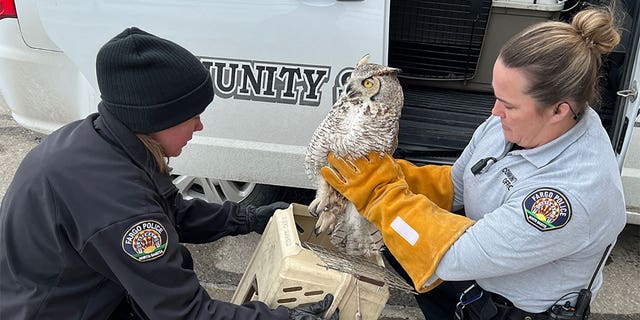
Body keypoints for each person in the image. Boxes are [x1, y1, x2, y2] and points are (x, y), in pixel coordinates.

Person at [0, 27, 338, 320]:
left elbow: (169, 212)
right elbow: (185, 313)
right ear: (155, 118)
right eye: (192, 115)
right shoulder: (118, 204)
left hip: (64, 290)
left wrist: (246, 218)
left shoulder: (103, 140)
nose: (199, 125)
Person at [320, 6, 627, 320]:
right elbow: (458, 183)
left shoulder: (571, 195)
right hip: (475, 284)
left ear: (558, 111)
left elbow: (451, 257)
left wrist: (380, 193)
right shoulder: (516, 122)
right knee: (394, 229)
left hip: (513, 311)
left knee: (399, 226)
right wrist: (398, 175)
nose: (494, 112)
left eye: (507, 104)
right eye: (496, 96)